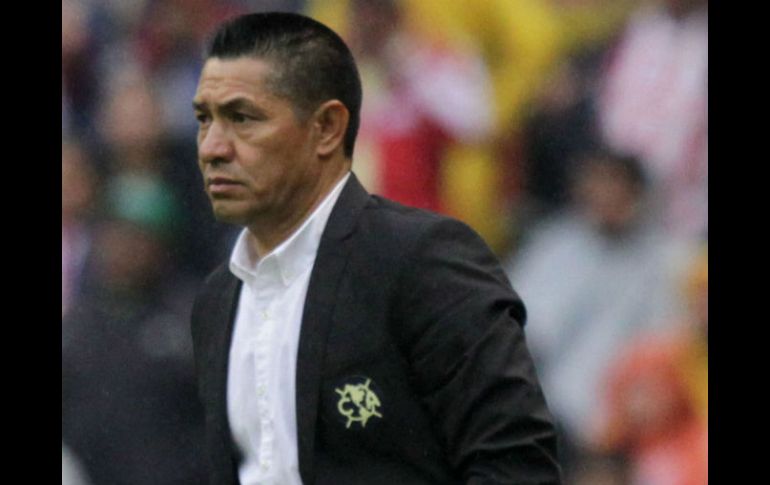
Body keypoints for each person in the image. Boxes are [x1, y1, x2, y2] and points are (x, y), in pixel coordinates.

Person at [189, 12, 561, 485]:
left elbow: (516, 466)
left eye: (242, 118)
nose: (212, 148)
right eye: (204, 119)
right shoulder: (216, 301)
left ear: (327, 128)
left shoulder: (425, 263)